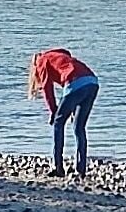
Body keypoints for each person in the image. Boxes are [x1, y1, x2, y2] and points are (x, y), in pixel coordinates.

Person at [27, 48, 99, 178]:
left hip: (75, 82)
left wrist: (53, 112)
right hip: (92, 81)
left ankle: (58, 167)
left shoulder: (42, 60)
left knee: (58, 123)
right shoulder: (59, 57)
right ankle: (81, 169)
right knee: (79, 127)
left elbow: (47, 89)